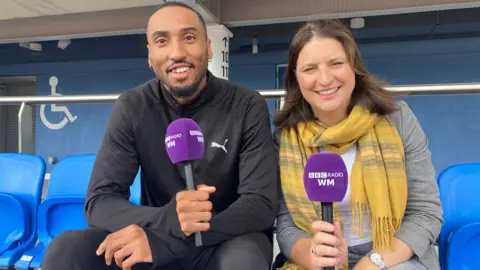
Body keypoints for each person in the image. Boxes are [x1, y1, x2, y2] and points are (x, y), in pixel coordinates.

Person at [42, 2, 278, 270]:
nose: (177, 53)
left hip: (223, 240)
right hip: (154, 232)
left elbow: (260, 204)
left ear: (209, 47)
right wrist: (168, 221)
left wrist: (172, 240)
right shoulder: (133, 107)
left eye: (189, 38)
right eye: (162, 41)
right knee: (67, 251)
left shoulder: (246, 104)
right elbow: (100, 202)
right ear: (150, 55)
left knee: (245, 258)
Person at [272, 19, 443, 270]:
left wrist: (374, 261)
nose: (324, 79)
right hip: (317, 257)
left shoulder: (398, 120)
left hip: (392, 255)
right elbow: (286, 223)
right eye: (309, 69)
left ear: (354, 66)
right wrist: (312, 255)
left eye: (336, 64)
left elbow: (425, 213)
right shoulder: (285, 138)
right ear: (296, 78)